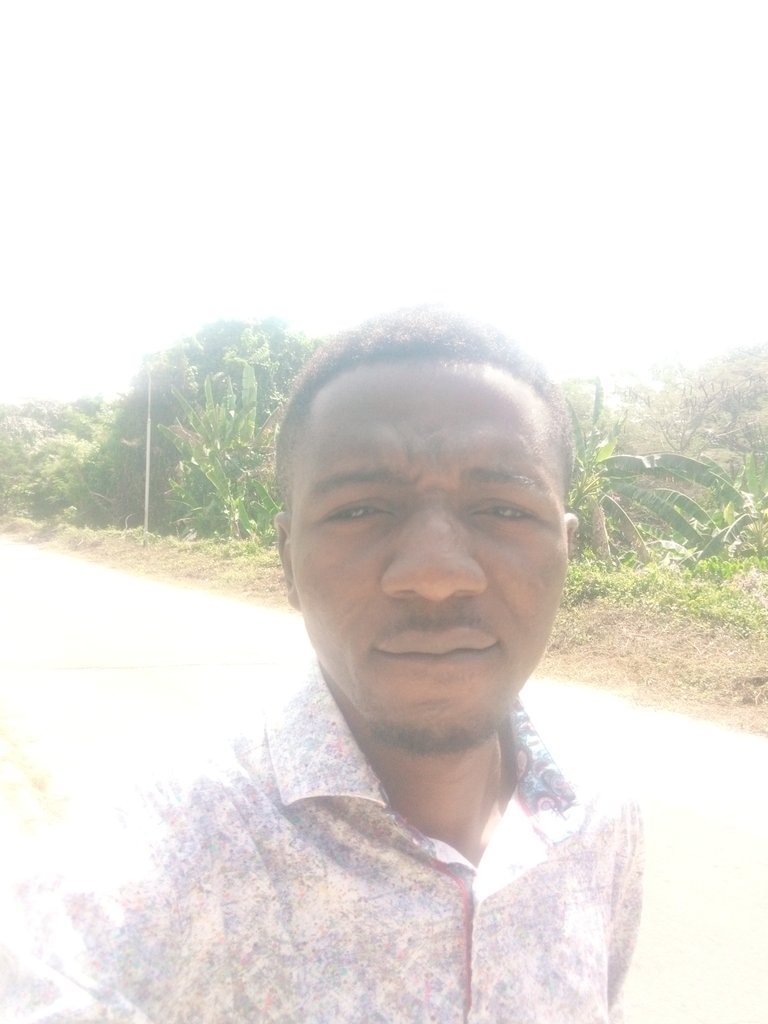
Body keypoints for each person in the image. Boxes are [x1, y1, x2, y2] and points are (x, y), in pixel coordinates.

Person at [2, 308, 643, 1022]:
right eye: (362, 511)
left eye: (503, 509)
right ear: (287, 560)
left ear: (566, 550)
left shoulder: (599, 816)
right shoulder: (172, 843)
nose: (435, 574)